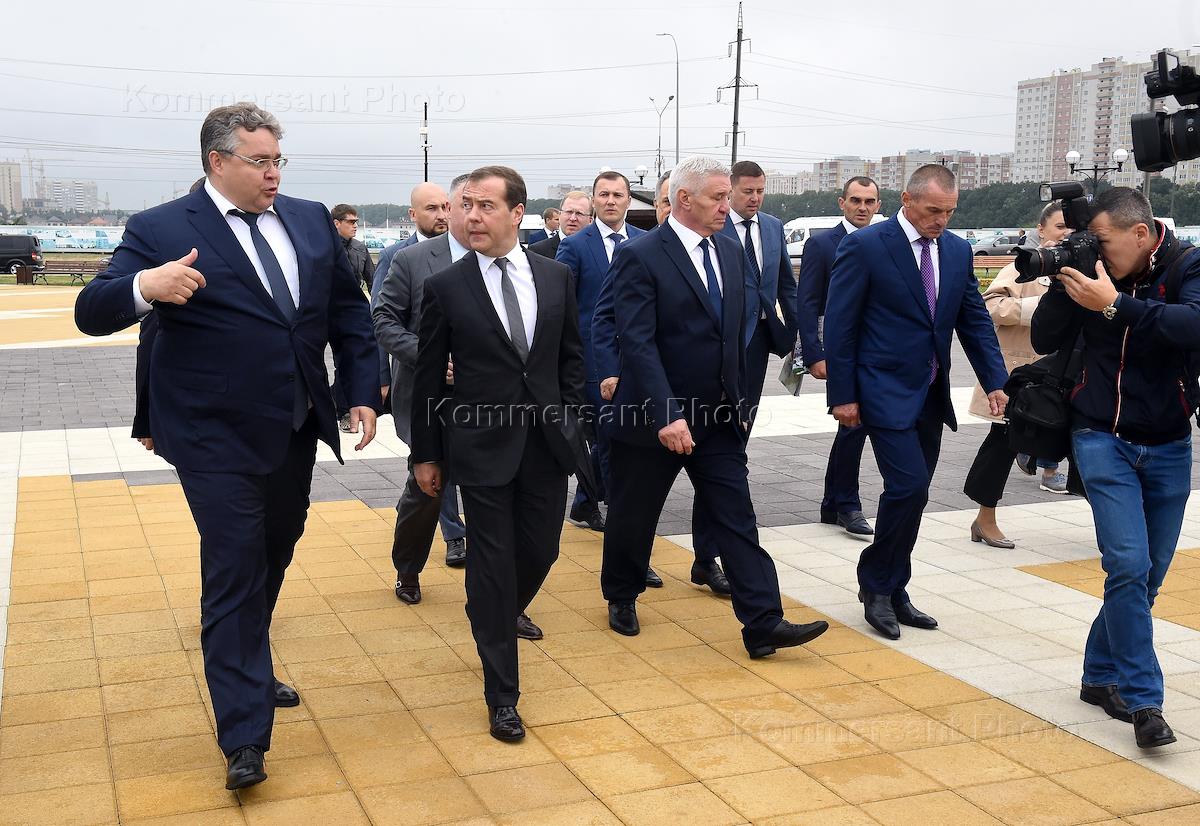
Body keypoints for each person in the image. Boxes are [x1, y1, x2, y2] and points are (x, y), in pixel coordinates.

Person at [74, 102, 379, 790]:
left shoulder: (309, 219)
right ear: (217, 161)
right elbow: (91, 310)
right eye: (259, 161)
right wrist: (145, 287)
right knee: (235, 565)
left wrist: (362, 389)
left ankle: (249, 660)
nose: (274, 173)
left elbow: (346, 311)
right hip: (211, 433)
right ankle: (244, 733)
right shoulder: (160, 228)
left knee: (276, 545)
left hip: (294, 423)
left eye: (278, 160)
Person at [600, 155, 828, 657]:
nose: (730, 206)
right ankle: (621, 592)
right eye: (719, 197)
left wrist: (744, 395)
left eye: (729, 196)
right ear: (684, 199)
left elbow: (737, 329)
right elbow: (637, 342)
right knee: (634, 514)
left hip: (720, 417)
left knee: (736, 517)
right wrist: (667, 414)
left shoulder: (729, 249)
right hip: (653, 417)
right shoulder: (641, 256)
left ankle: (763, 622)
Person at [410, 166, 585, 742]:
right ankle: (502, 694)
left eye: (485, 205)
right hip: (481, 448)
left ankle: (496, 609)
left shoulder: (555, 276)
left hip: (546, 445)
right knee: (490, 565)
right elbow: (428, 379)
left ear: (517, 213)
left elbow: (570, 359)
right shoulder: (447, 287)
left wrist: (574, 420)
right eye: (466, 205)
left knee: (542, 549)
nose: (471, 216)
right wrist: (426, 455)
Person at [1032, 186, 1200, 750]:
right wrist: (1069, 280)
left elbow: (1192, 325)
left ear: (1141, 233)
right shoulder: (1093, 268)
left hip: (1170, 443)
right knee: (1127, 565)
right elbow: (1044, 337)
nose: (1096, 250)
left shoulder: (1186, 265)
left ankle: (1098, 674)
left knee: (1148, 575)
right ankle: (1144, 701)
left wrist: (1114, 305)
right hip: (1101, 437)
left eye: (1102, 241)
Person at [823, 164, 1007, 641]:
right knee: (907, 487)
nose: (940, 220)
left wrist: (995, 380)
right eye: (932, 211)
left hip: (930, 393)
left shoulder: (956, 250)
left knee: (915, 493)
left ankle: (894, 587)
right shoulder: (867, 245)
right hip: (881, 390)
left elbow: (973, 319)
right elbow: (840, 325)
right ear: (906, 200)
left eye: (949, 212)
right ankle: (876, 584)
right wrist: (842, 395)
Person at [372, 176, 471, 582]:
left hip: (487, 398)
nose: (446, 214)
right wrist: (429, 359)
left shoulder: (503, 258)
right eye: (440, 207)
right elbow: (383, 319)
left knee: (489, 489)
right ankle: (409, 568)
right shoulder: (407, 259)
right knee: (429, 485)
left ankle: (498, 591)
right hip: (428, 396)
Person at [965, 201, 1072, 548]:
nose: (1066, 233)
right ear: (1041, 230)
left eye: (1072, 227)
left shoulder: (1085, 268)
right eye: (1060, 226)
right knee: (1003, 444)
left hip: (1069, 375)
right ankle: (985, 517)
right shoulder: (1025, 266)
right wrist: (1034, 310)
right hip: (1025, 377)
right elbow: (990, 304)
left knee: (1090, 443)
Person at [555, 174, 647, 534]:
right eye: (604, 194)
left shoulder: (644, 241)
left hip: (636, 357)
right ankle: (615, 506)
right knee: (608, 437)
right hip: (592, 361)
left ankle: (585, 502)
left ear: (628, 200)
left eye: (618, 195)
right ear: (594, 201)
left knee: (624, 434)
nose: (611, 200)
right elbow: (562, 306)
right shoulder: (576, 246)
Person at [796, 176, 882, 538]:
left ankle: (834, 504)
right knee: (853, 424)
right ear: (842, 203)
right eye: (856, 200)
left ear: (878, 205)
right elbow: (806, 302)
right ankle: (847, 504)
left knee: (852, 425)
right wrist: (814, 354)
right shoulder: (821, 245)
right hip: (839, 351)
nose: (863, 207)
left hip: (873, 349)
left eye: (869, 201)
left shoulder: (881, 242)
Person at [331, 203, 380, 428]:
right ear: (336, 223)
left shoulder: (360, 248)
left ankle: (344, 410)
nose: (355, 226)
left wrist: (375, 311)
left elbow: (372, 280)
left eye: (356, 222)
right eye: (350, 222)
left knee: (349, 362)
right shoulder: (326, 247)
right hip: (327, 310)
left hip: (354, 312)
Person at [528, 191, 590, 259]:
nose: (573, 218)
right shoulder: (537, 251)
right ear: (560, 215)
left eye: (579, 213)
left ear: (590, 220)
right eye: (569, 212)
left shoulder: (596, 249)